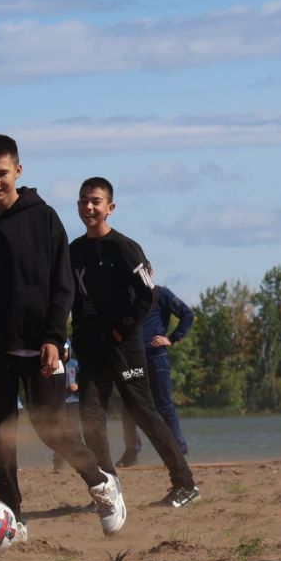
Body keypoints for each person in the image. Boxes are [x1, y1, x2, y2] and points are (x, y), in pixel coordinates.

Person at [0, 135, 126, 537]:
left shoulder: (44, 217)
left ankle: (102, 484)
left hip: (42, 347)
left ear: (18, 171)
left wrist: (53, 337)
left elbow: (63, 284)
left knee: (51, 429)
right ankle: (14, 519)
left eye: (1, 174)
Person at [70, 177, 199, 507]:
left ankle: (185, 484)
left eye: (95, 201)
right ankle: (107, 489)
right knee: (91, 418)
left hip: (124, 347)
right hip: (91, 350)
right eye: (83, 200)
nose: (88, 207)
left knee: (144, 412)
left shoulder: (125, 248)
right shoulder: (75, 251)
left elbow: (148, 296)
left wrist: (121, 330)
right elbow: (70, 299)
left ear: (110, 207)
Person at [116, 264, 194, 467]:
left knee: (164, 405)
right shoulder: (128, 297)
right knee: (129, 406)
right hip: (132, 358)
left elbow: (187, 315)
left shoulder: (162, 294)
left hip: (156, 357)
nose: (142, 277)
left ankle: (179, 451)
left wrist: (173, 338)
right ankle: (131, 452)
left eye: (146, 273)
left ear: (151, 274)